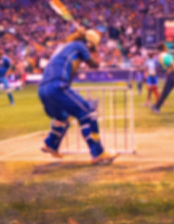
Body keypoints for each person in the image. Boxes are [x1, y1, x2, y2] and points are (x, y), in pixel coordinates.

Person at [38, 29, 116, 164]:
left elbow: (68, 77)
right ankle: (98, 153)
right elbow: (94, 65)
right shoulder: (80, 45)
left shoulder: (64, 47)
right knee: (87, 113)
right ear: (90, 44)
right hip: (57, 86)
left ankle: (50, 144)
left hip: (42, 89)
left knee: (62, 117)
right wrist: (95, 56)